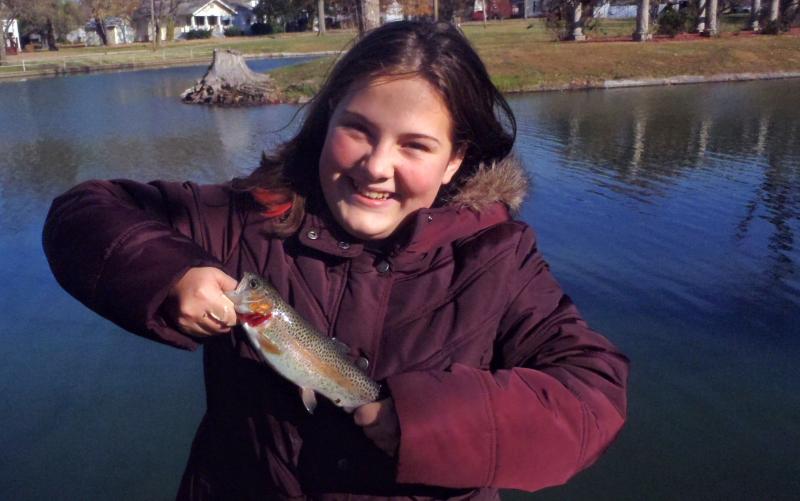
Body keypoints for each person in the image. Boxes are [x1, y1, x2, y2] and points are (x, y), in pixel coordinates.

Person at [43, 21, 628, 500]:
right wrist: (172, 272)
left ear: (455, 160)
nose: (376, 166)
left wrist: (432, 422)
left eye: (415, 145)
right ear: (325, 124)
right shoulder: (248, 218)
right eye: (357, 130)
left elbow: (592, 395)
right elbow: (87, 212)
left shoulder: (500, 256)